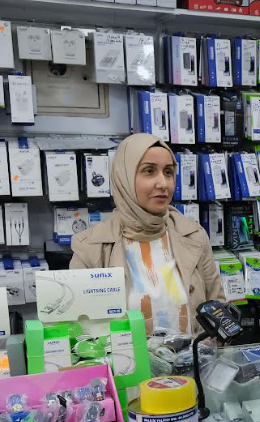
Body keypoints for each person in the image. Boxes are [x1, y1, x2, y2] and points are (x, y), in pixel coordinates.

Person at [70, 134, 225, 334]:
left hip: (192, 354)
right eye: (149, 171)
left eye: (168, 172)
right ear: (124, 177)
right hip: (126, 356)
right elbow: (81, 332)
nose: (163, 183)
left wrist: (210, 340)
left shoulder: (194, 236)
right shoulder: (90, 247)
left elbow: (218, 312)